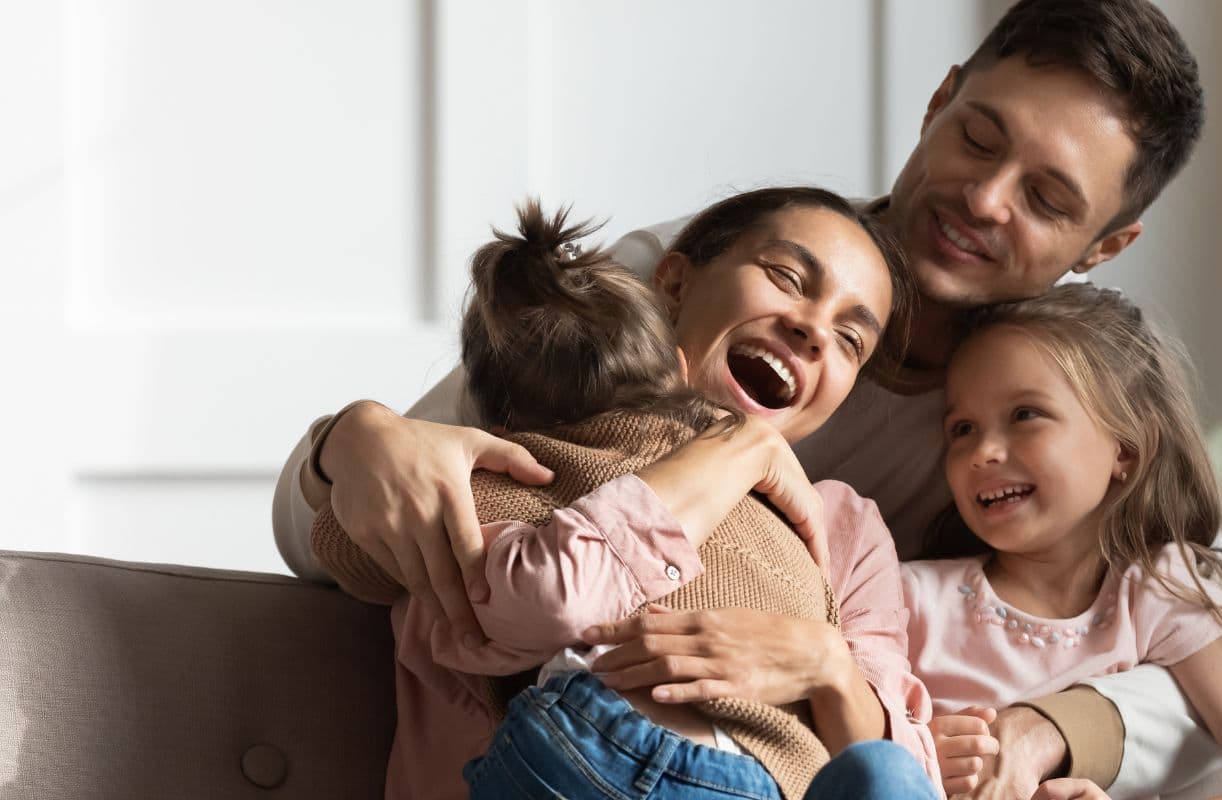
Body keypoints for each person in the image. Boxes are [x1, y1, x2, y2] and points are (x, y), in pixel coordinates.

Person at [273, 1, 1222, 795]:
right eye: (978, 138)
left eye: (1047, 197)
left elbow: (1214, 635)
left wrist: (1050, 726)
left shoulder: (1037, 422)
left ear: (1104, 248)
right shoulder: (677, 288)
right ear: (937, 103)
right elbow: (335, 536)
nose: (983, 197)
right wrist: (348, 445)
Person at [315, 190, 939, 798]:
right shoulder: (516, 456)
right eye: (786, 275)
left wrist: (826, 665)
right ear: (673, 283)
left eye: (851, 340)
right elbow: (346, 547)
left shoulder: (845, 530)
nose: (813, 331)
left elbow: (912, 771)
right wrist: (348, 436)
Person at [908, 285, 1222, 800]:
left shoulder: (1166, 589)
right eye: (962, 428)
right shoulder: (910, 598)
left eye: (1025, 414)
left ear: (1125, 446)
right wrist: (914, 752)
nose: (983, 451)